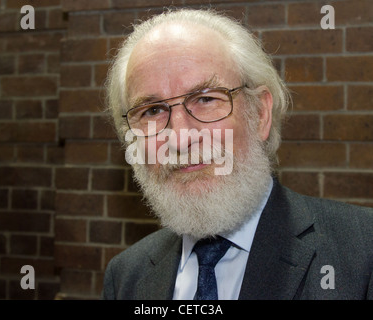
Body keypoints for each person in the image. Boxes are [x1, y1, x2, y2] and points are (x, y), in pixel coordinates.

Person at [102, 8, 373, 300]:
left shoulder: (362, 253)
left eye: (206, 99)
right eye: (152, 111)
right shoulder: (126, 278)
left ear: (259, 115)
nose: (180, 138)